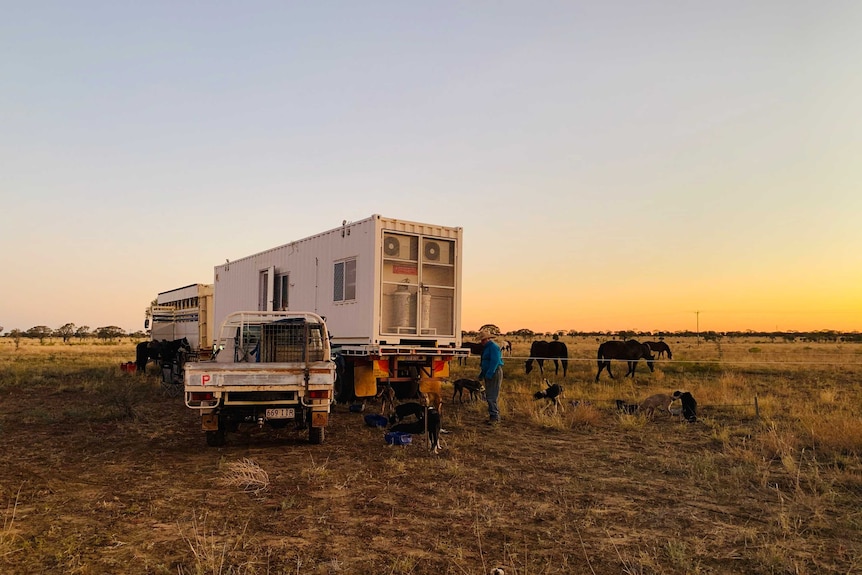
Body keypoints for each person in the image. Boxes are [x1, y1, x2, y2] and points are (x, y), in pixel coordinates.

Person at [477, 329, 504, 424]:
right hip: (490, 372)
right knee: (489, 395)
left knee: (492, 395)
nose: (482, 342)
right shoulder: (488, 347)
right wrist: (482, 374)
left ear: (488, 339)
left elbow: (495, 361)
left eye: (483, 340)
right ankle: (493, 416)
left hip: (494, 372)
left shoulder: (493, 347)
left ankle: (495, 417)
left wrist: (489, 373)